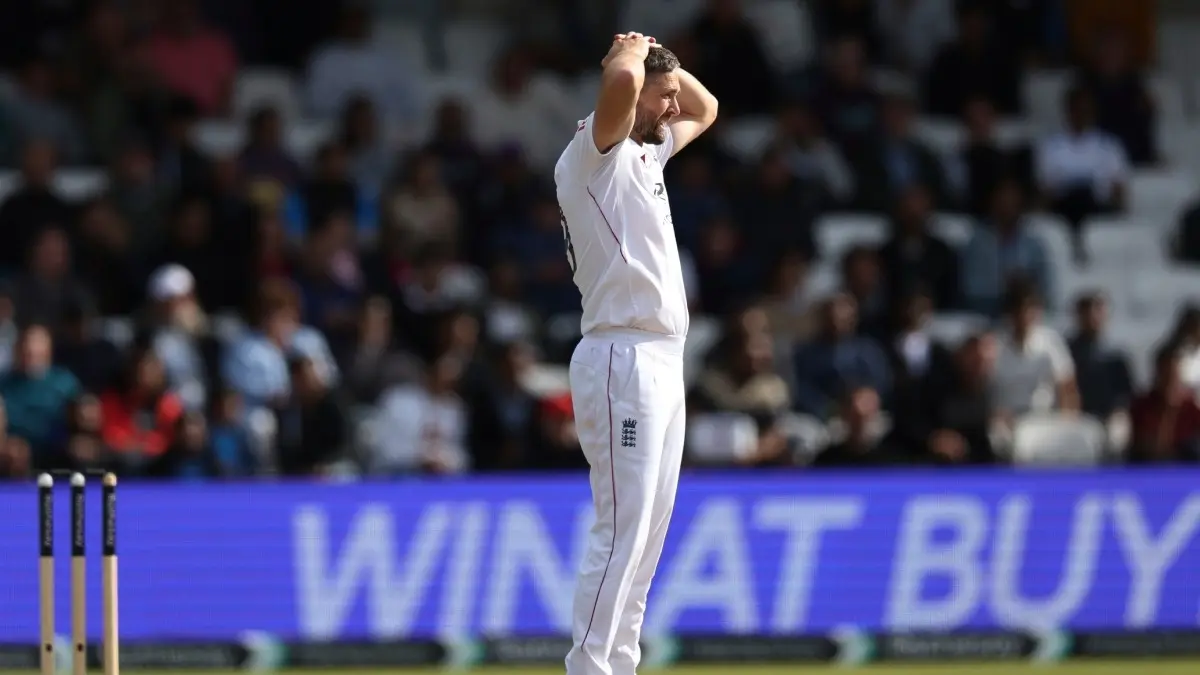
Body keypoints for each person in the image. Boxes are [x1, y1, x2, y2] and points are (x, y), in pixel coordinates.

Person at [553, 32, 718, 675]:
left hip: (662, 360)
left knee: (647, 535)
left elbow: (706, 108)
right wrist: (626, 52)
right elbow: (623, 84)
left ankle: (620, 663)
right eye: (663, 95)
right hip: (622, 357)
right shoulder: (595, 155)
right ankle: (590, 667)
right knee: (623, 529)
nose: (674, 107)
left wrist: (661, 57)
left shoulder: (647, 155)